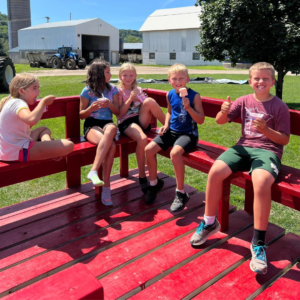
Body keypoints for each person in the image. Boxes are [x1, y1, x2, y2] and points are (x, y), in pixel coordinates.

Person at [190, 62, 291, 275]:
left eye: (265, 78)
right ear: (250, 80)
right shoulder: (243, 101)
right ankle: (209, 223)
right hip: (242, 147)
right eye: (256, 78)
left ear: (273, 81)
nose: (261, 82)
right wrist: (224, 111)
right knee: (215, 171)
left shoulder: (279, 106)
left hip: (267, 151)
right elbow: (220, 121)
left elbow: (284, 139)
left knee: (261, 181)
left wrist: (266, 130)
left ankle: (259, 242)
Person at [145, 63, 205, 209]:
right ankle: (154, 184)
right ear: (169, 80)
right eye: (174, 79)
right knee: (148, 149)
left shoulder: (194, 96)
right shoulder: (170, 94)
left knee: (175, 153)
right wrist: (166, 124)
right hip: (172, 132)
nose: (178, 82)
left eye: (181, 78)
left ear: (188, 80)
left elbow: (201, 120)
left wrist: (188, 108)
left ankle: (181, 192)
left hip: (188, 134)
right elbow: (170, 112)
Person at [0, 73, 74, 162]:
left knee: (43, 129)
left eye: (38, 88)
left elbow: (24, 128)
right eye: (34, 88)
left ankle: (48, 145)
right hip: (17, 151)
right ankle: (50, 150)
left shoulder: (12, 101)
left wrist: (49, 148)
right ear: (22, 91)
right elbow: (32, 120)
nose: (38, 92)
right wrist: (43, 103)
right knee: (69, 145)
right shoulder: (18, 103)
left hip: (10, 150)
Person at [117, 63, 165, 194]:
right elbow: (119, 114)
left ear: (135, 76)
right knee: (142, 139)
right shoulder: (118, 91)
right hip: (126, 122)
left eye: (131, 75)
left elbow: (145, 104)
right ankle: (142, 176)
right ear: (120, 76)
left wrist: (140, 98)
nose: (128, 78)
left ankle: (169, 126)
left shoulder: (138, 89)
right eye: (125, 75)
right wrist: (130, 99)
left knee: (150, 101)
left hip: (139, 120)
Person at [80, 60, 119, 206]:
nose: (110, 74)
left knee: (113, 128)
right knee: (111, 146)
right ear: (99, 74)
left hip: (107, 122)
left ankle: (94, 170)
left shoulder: (113, 89)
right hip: (92, 125)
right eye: (108, 72)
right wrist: (91, 109)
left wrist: (110, 105)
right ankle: (107, 188)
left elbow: (118, 112)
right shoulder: (87, 91)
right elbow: (81, 115)